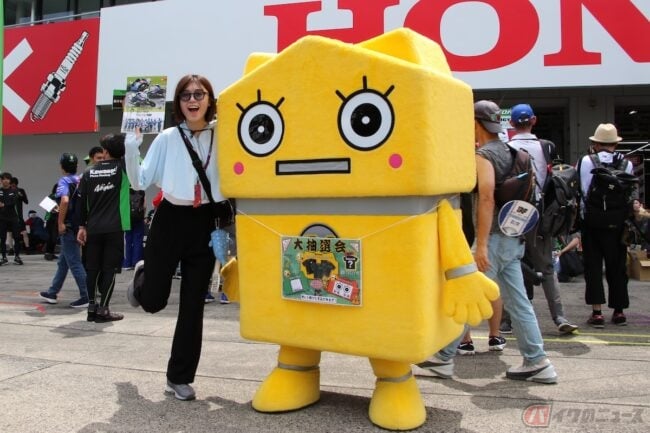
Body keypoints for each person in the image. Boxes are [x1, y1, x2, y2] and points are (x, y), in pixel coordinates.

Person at [417, 101, 557, 384]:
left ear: (475, 124)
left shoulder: (485, 155)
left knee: (470, 295)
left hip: (492, 240)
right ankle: (537, 361)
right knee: (519, 303)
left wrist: (480, 245)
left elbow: (487, 197)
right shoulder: (514, 152)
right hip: (513, 237)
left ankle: (443, 357)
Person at [124, 74, 234, 401]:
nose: (193, 100)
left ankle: (179, 377)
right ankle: (143, 278)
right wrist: (131, 147)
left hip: (206, 223)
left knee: (193, 306)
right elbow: (140, 181)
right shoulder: (167, 138)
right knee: (154, 302)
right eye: (186, 95)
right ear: (178, 102)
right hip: (170, 220)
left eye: (199, 94)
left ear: (210, 100)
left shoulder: (224, 134)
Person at [505, 103, 578, 334]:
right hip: (541, 214)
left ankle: (507, 319)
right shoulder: (547, 146)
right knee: (546, 267)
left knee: (510, 265)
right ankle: (559, 317)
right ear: (534, 120)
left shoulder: (506, 148)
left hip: (513, 214)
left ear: (511, 123)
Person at [578, 123, 634, 327]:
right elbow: (629, 193)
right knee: (617, 266)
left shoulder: (586, 161)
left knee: (593, 266)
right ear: (614, 144)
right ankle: (619, 311)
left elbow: (583, 191)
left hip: (592, 221)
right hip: (617, 222)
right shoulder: (626, 164)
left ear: (596, 143)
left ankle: (597, 313)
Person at [77, 134, 131, 322]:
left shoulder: (88, 172)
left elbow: (81, 202)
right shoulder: (124, 168)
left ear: (105, 152)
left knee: (92, 269)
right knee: (109, 269)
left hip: (92, 228)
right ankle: (103, 310)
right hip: (115, 227)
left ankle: (91, 309)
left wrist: (81, 226)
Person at [39, 154, 89, 308]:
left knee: (74, 262)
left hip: (68, 226)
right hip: (79, 224)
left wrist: (60, 222)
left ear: (61, 166)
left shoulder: (64, 181)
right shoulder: (80, 180)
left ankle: (87, 296)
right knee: (63, 261)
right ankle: (52, 292)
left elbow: (65, 201)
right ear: (76, 166)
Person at [0, 172, 24, 265]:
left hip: (13, 218)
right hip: (2, 218)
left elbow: (12, 202)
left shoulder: (14, 191)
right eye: (3, 179)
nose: (5, 180)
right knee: (2, 238)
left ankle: (17, 257)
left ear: (10, 180)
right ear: (1, 181)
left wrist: (3, 204)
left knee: (17, 237)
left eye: (7, 179)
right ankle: (4, 257)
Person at [122, 188, 146, 270]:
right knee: (138, 241)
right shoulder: (142, 192)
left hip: (128, 219)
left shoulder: (126, 191)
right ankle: (136, 263)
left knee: (128, 241)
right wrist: (142, 216)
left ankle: (127, 263)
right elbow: (144, 206)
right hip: (138, 219)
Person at [43, 183, 60, 261]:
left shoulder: (61, 196)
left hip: (57, 218)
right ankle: (48, 253)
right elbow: (46, 206)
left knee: (55, 237)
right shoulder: (52, 196)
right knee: (51, 236)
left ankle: (51, 253)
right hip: (51, 218)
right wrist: (55, 209)